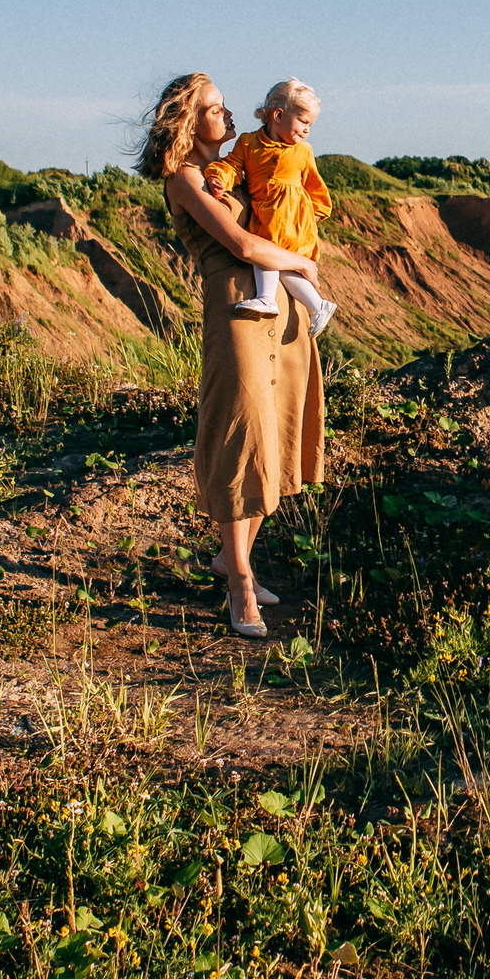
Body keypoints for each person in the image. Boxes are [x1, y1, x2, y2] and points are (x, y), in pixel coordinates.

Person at [138, 71, 326, 637]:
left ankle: (232, 557)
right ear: (188, 119)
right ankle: (239, 582)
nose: (228, 115)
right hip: (237, 310)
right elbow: (242, 244)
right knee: (240, 432)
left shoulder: (235, 165)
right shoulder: (185, 178)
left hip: (279, 308)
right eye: (215, 108)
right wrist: (302, 264)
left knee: (276, 431)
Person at [203, 77, 339, 337]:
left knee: (266, 252)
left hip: (293, 219)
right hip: (267, 214)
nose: (307, 130)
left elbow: (316, 187)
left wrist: (312, 215)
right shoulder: (248, 143)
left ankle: (268, 298)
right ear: (278, 115)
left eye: (310, 125)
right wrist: (219, 177)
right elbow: (232, 166)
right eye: (304, 122)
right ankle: (316, 305)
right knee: (281, 264)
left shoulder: (303, 151)